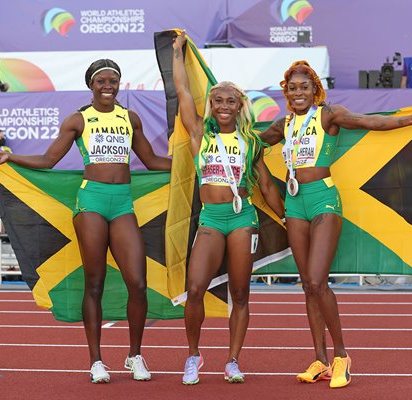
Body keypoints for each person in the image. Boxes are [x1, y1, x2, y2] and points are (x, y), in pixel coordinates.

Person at [0, 59, 171, 384]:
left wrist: (193, 163)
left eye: (113, 80)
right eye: (101, 80)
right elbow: (48, 160)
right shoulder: (78, 119)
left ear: (119, 84)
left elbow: (153, 160)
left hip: (123, 203)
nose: (107, 85)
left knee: (138, 284)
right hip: (91, 203)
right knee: (95, 282)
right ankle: (96, 360)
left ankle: (135, 355)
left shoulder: (130, 118)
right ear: (91, 85)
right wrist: (10, 156)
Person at [260, 60, 412, 389]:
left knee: (317, 279)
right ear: (286, 92)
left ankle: (342, 356)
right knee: (307, 285)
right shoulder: (283, 125)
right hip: (294, 204)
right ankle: (320, 359)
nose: (298, 93)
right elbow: (252, 144)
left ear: (315, 90)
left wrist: (408, 119)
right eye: (292, 88)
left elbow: (368, 122)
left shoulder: (328, 115)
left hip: (324, 200)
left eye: (304, 87)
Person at [172, 32, 285, 385]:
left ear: (240, 106)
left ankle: (233, 360)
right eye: (218, 100)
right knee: (195, 289)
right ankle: (193, 355)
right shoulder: (198, 135)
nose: (223, 105)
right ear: (212, 105)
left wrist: (285, 218)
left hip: (242, 218)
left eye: (230, 101)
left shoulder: (251, 141)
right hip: (210, 218)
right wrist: (178, 53)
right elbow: (183, 92)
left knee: (240, 293)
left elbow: (266, 185)